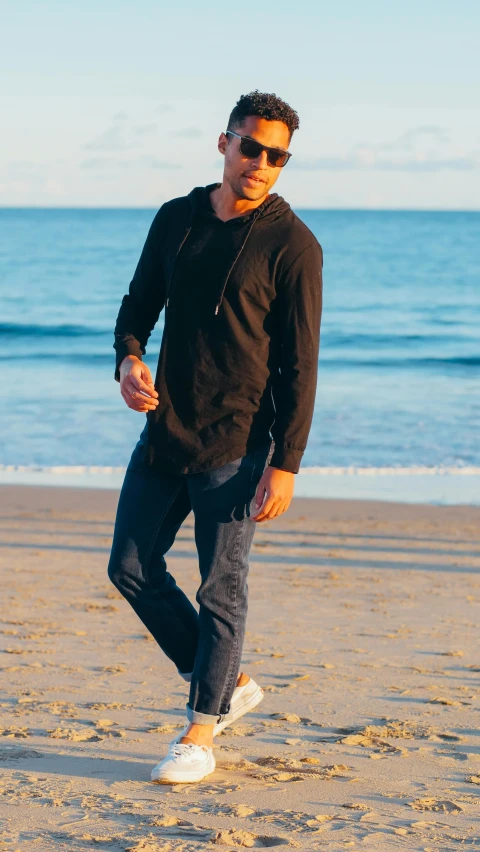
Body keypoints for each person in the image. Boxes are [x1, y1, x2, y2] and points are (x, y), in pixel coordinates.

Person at [107, 90, 323, 784]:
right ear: (224, 143)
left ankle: (201, 731)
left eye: (277, 156)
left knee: (220, 589)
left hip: (239, 442)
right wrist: (129, 357)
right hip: (165, 430)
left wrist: (285, 462)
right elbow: (139, 304)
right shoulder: (177, 219)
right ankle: (226, 682)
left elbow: (301, 362)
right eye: (251, 147)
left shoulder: (294, 245)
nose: (262, 164)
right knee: (130, 568)